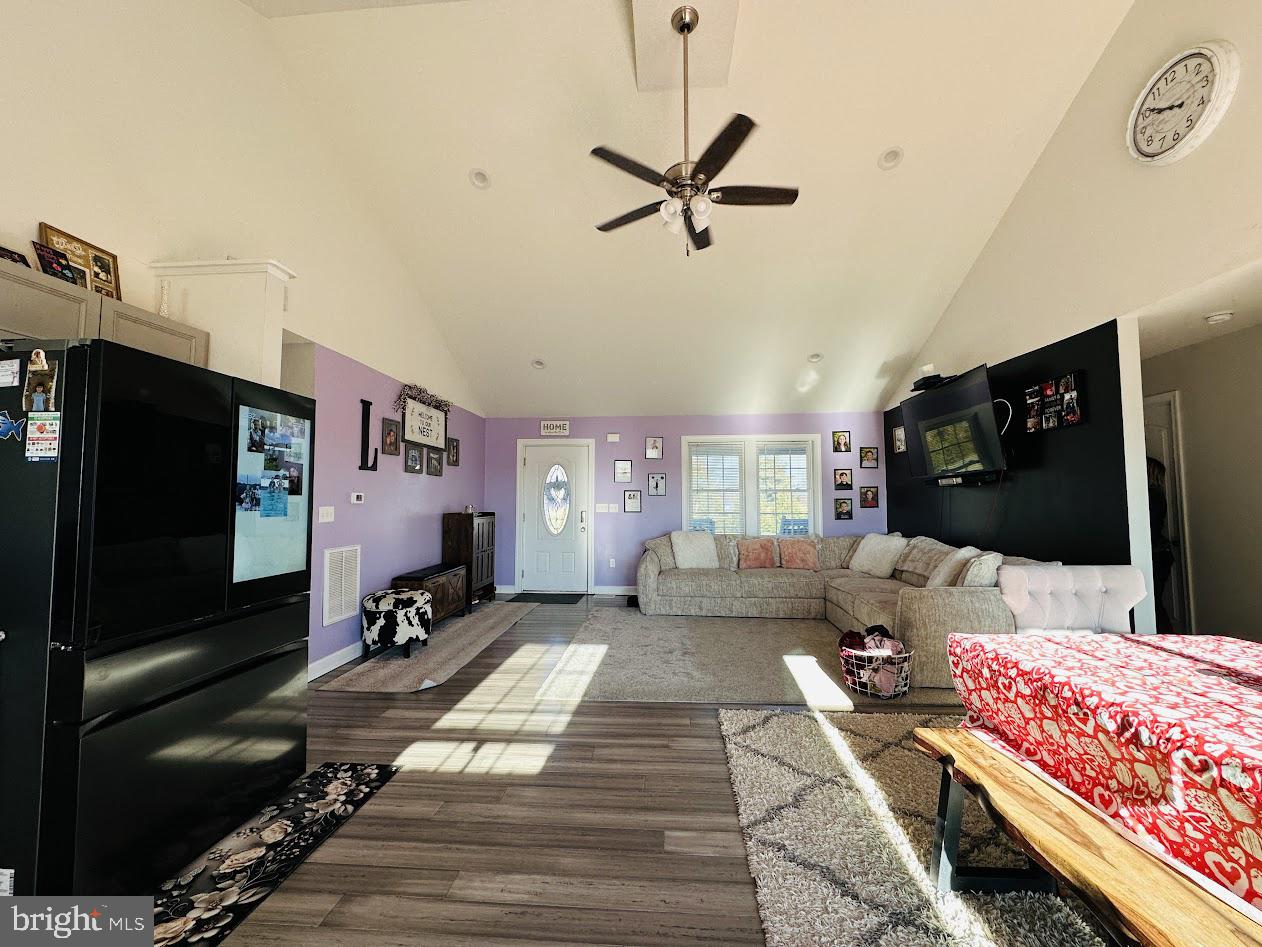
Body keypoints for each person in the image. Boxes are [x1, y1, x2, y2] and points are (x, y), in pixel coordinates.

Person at [1147, 457, 1175, 633]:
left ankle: (1166, 639)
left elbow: (1149, 527)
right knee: (1154, 602)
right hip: (1160, 553)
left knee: (1153, 603)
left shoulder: (1152, 496)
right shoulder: (1157, 495)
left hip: (1157, 555)